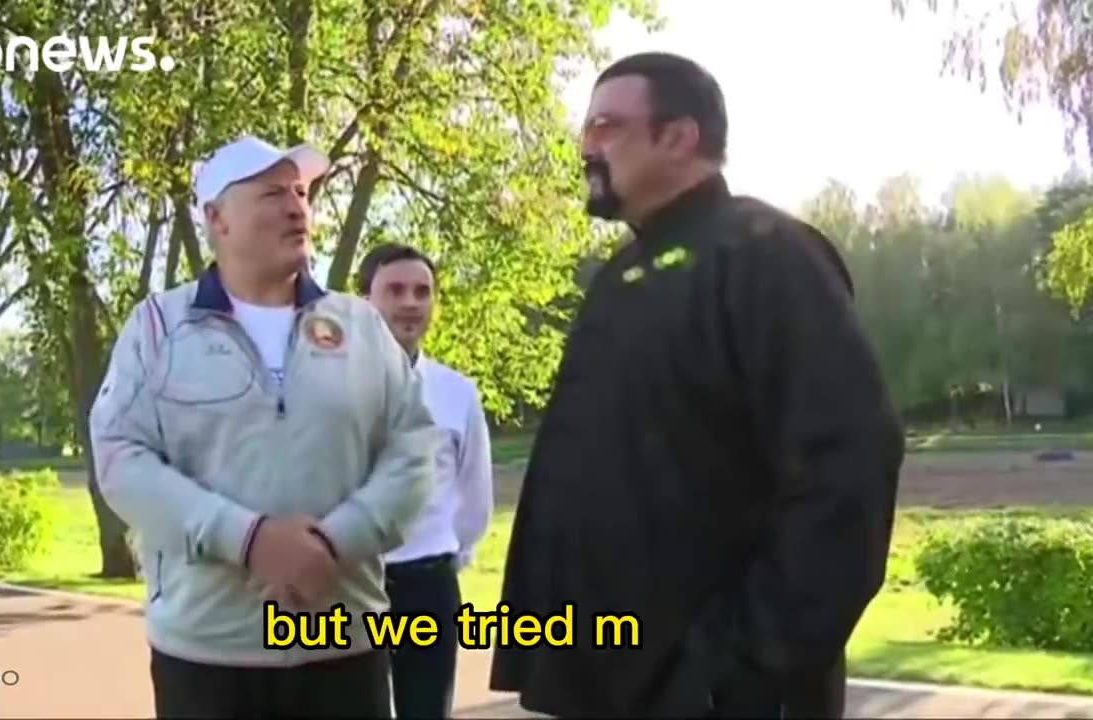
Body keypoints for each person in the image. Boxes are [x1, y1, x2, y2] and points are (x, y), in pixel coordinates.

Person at [488, 52, 905, 718]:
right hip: (607, 680)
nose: (585, 147)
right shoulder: (619, 278)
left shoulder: (768, 255)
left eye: (605, 125)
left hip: (714, 692)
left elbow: (847, 466)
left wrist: (750, 659)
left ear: (679, 136)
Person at [90, 135, 439, 718]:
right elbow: (122, 458)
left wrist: (332, 543)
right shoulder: (157, 328)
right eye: (273, 193)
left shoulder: (361, 326)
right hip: (207, 654)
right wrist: (247, 540)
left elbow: (415, 450)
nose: (297, 206)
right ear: (217, 218)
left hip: (344, 647)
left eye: (302, 193)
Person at [356, 242, 495, 719]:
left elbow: (475, 492)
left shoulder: (457, 393)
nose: (411, 302)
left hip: (428, 586)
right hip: (352, 586)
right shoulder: (326, 390)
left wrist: (451, 555)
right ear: (364, 302)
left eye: (422, 291)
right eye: (394, 290)